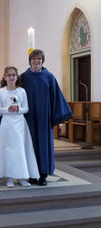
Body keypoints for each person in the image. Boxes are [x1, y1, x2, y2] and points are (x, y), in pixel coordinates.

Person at [21, 49, 73, 186]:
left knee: (44, 146)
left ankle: (43, 175)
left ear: (42, 61)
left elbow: (56, 97)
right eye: (34, 59)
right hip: (29, 117)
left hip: (44, 117)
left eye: (39, 59)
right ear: (30, 60)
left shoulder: (49, 76)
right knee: (30, 145)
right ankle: (31, 175)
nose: (36, 61)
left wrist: (57, 116)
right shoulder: (23, 77)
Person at [0, 66, 40, 188]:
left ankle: (21, 176)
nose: (11, 77)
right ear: (4, 77)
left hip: (19, 123)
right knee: (8, 150)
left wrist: (18, 109)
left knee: (20, 149)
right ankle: (10, 177)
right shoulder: (1, 92)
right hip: (7, 124)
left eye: (13, 75)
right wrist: (8, 109)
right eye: (9, 75)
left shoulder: (21, 91)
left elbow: (26, 108)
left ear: (17, 77)